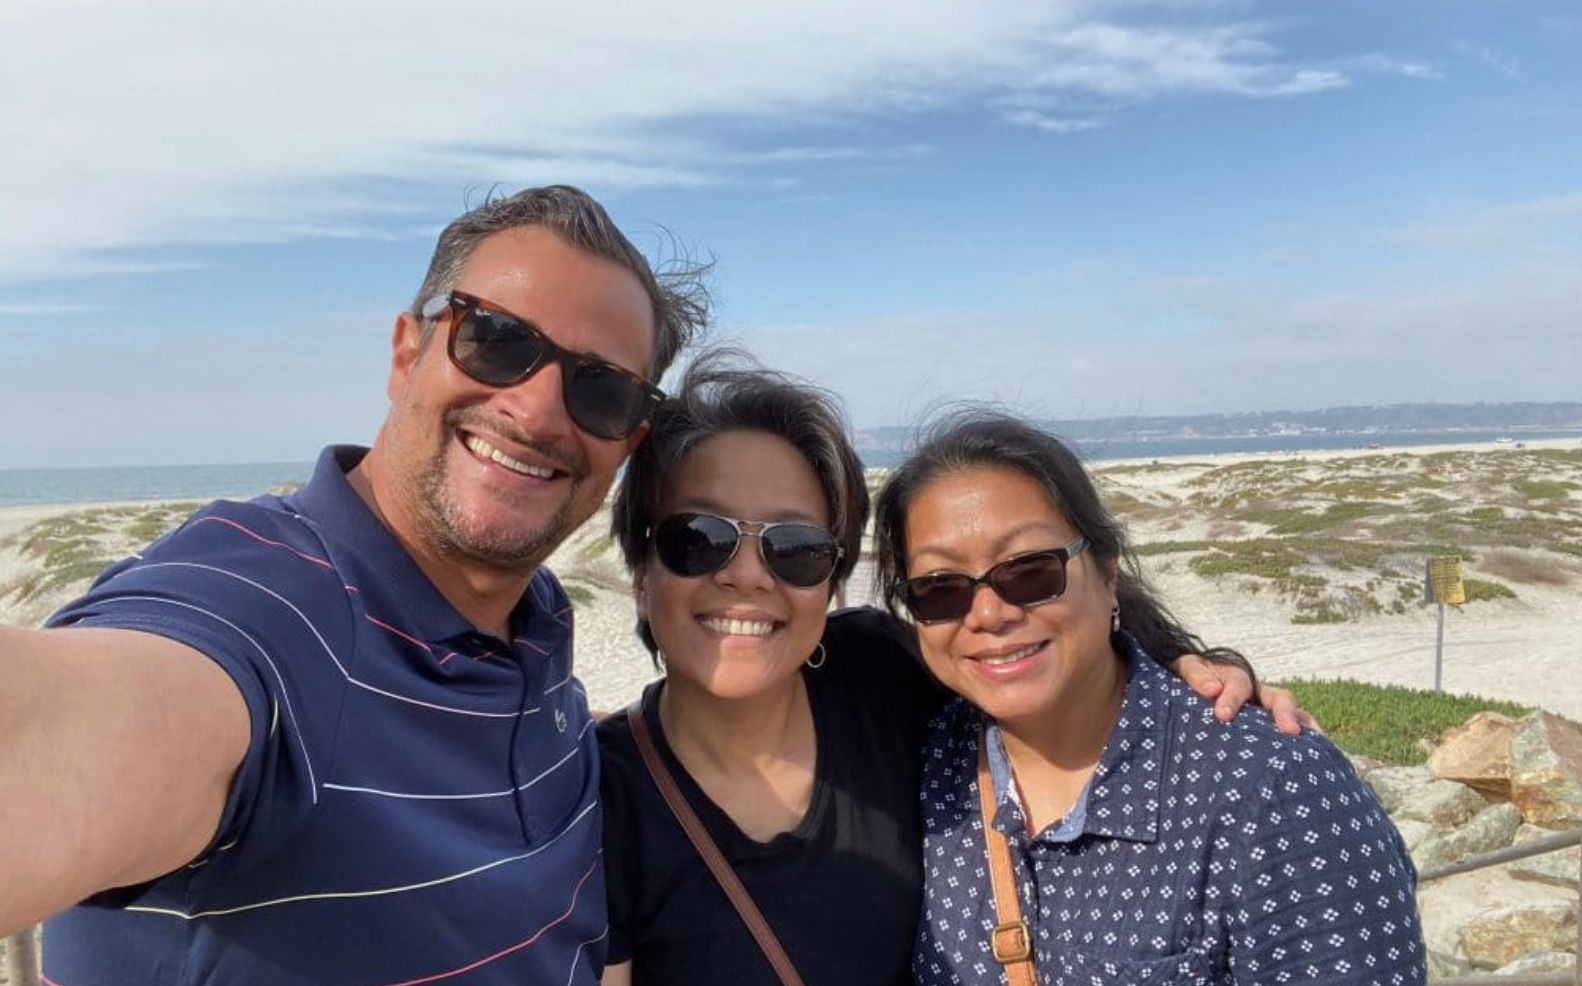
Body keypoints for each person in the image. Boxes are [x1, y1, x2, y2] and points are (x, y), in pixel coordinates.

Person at [0, 185, 709, 986]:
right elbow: (65, 735)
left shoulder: (539, 634)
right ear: (408, 353)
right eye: (497, 340)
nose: (539, 410)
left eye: (601, 389)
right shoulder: (263, 609)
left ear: (627, 442)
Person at [595, 355, 1309, 986]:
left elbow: (1027, 648)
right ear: (638, 568)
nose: (748, 575)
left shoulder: (881, 673)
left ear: (833, 585)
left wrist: (1178, 666)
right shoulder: (596, 800)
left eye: (795, 548)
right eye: (699, 539)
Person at [871, 412, 1426, 986]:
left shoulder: (1273, 786)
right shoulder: (929, 762)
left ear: (1108, 574)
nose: (988, 614)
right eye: (940, 589)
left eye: (1030, 572)